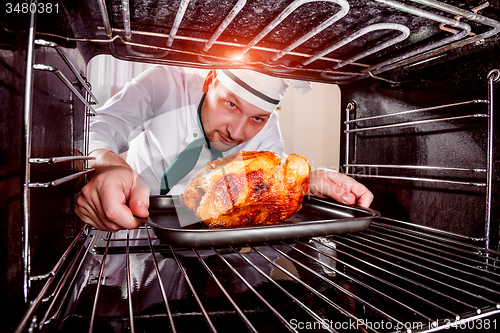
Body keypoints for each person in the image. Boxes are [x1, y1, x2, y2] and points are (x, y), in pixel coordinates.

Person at [76, 66, 373, 232]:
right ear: (209, 80)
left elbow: (274, 181)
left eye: (257, 117)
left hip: (213, 241)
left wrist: (313, 180)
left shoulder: (268, 129)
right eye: (231, 105)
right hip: (127, 225)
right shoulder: (165, 84)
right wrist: (107, 165)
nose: (237, 132)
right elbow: (100, 126)